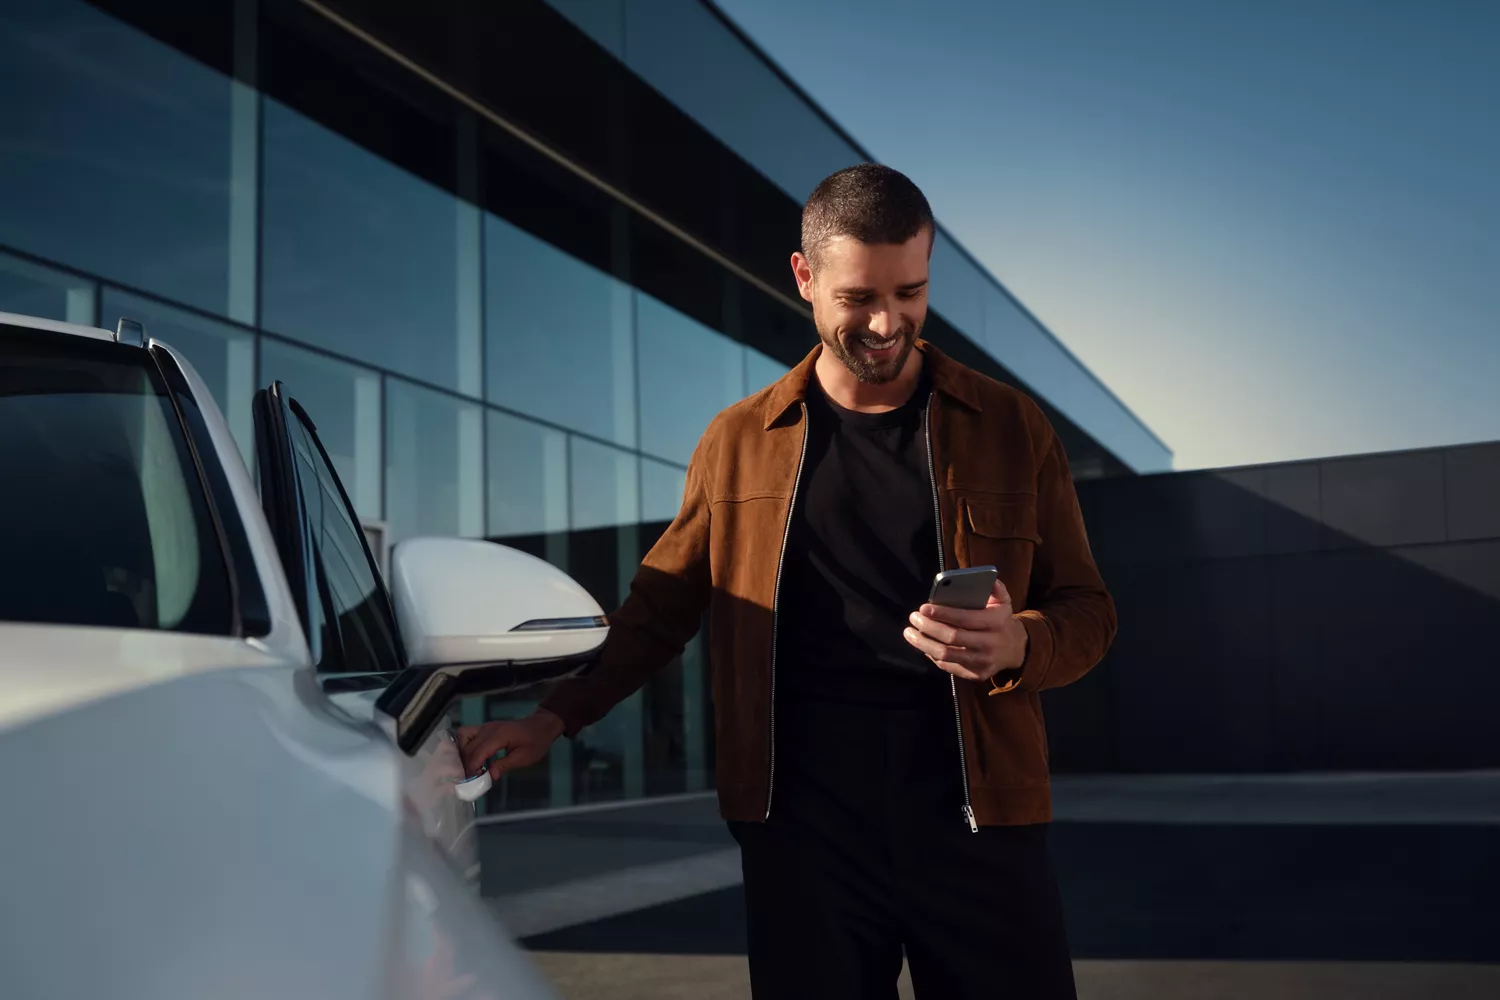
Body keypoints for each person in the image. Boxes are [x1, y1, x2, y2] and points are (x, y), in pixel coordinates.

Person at [458, 163, 1116, 999]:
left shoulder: (1010, 426)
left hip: (978, 817)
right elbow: (659, 611)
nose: (887, 322)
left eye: (910, 293)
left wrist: (1023, 640)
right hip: (804, 831)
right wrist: (555, 717)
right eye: (858, 299)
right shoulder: (737, 442)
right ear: (804, 278)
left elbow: (1089, 611)